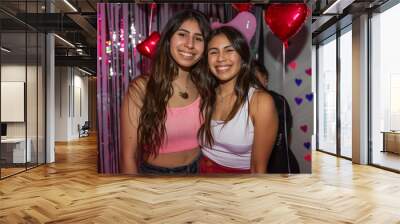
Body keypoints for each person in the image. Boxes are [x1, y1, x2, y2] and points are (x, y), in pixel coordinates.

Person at [120, 9, 211, 175]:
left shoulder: (205, 86)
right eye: (182, 34)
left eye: (198, 38)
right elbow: (128, 157)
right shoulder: (141, 89)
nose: (190, 44)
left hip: (200, 171)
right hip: (157, 176)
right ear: (168, 39)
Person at [199, 26, 279, 174]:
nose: (221, 58)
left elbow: (258, 169)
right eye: (213, 52)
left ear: (242, 57)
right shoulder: (205, 95)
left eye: (229, 50)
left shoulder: (261, 102)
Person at [253, 60, 300, 173]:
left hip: (275, 166)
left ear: (266, 79)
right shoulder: (280, 99)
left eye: (254, 78)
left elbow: (284, 135)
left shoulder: (267, 101)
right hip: (284, 162)